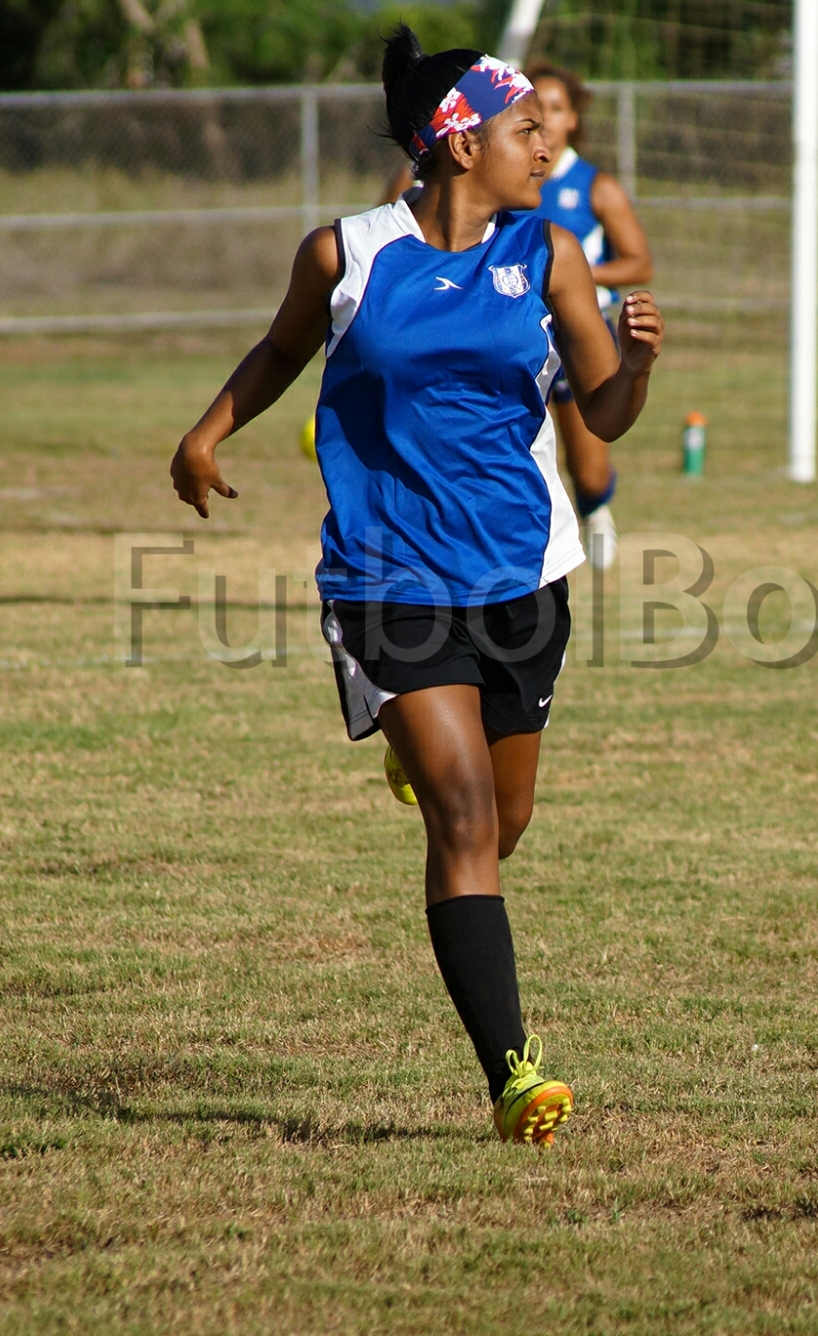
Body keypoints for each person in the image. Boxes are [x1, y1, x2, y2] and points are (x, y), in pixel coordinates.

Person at [169, 29, 664, 1145]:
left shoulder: (548, 254)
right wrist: (205, 435)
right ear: (455, 140)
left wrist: (633, 365)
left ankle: (427, 770)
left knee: (508, 816)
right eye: (523, 126)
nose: (546, 143)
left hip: (524, 579)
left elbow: (603, 411)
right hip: (387, 578)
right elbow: (280, 350)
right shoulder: (346, 255)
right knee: (464, 818)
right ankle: (514, 1074)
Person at [377, 62, 653, 569]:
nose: (541, 134)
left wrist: (579, 284)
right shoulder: (368, 240)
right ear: (463, 143)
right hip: (498, 339)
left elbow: (640, 261)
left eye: (548, 116)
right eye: (529, 120)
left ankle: (591, 511)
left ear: (571, 120)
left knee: (587, 471)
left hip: (568, 339)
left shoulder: (585, 194)